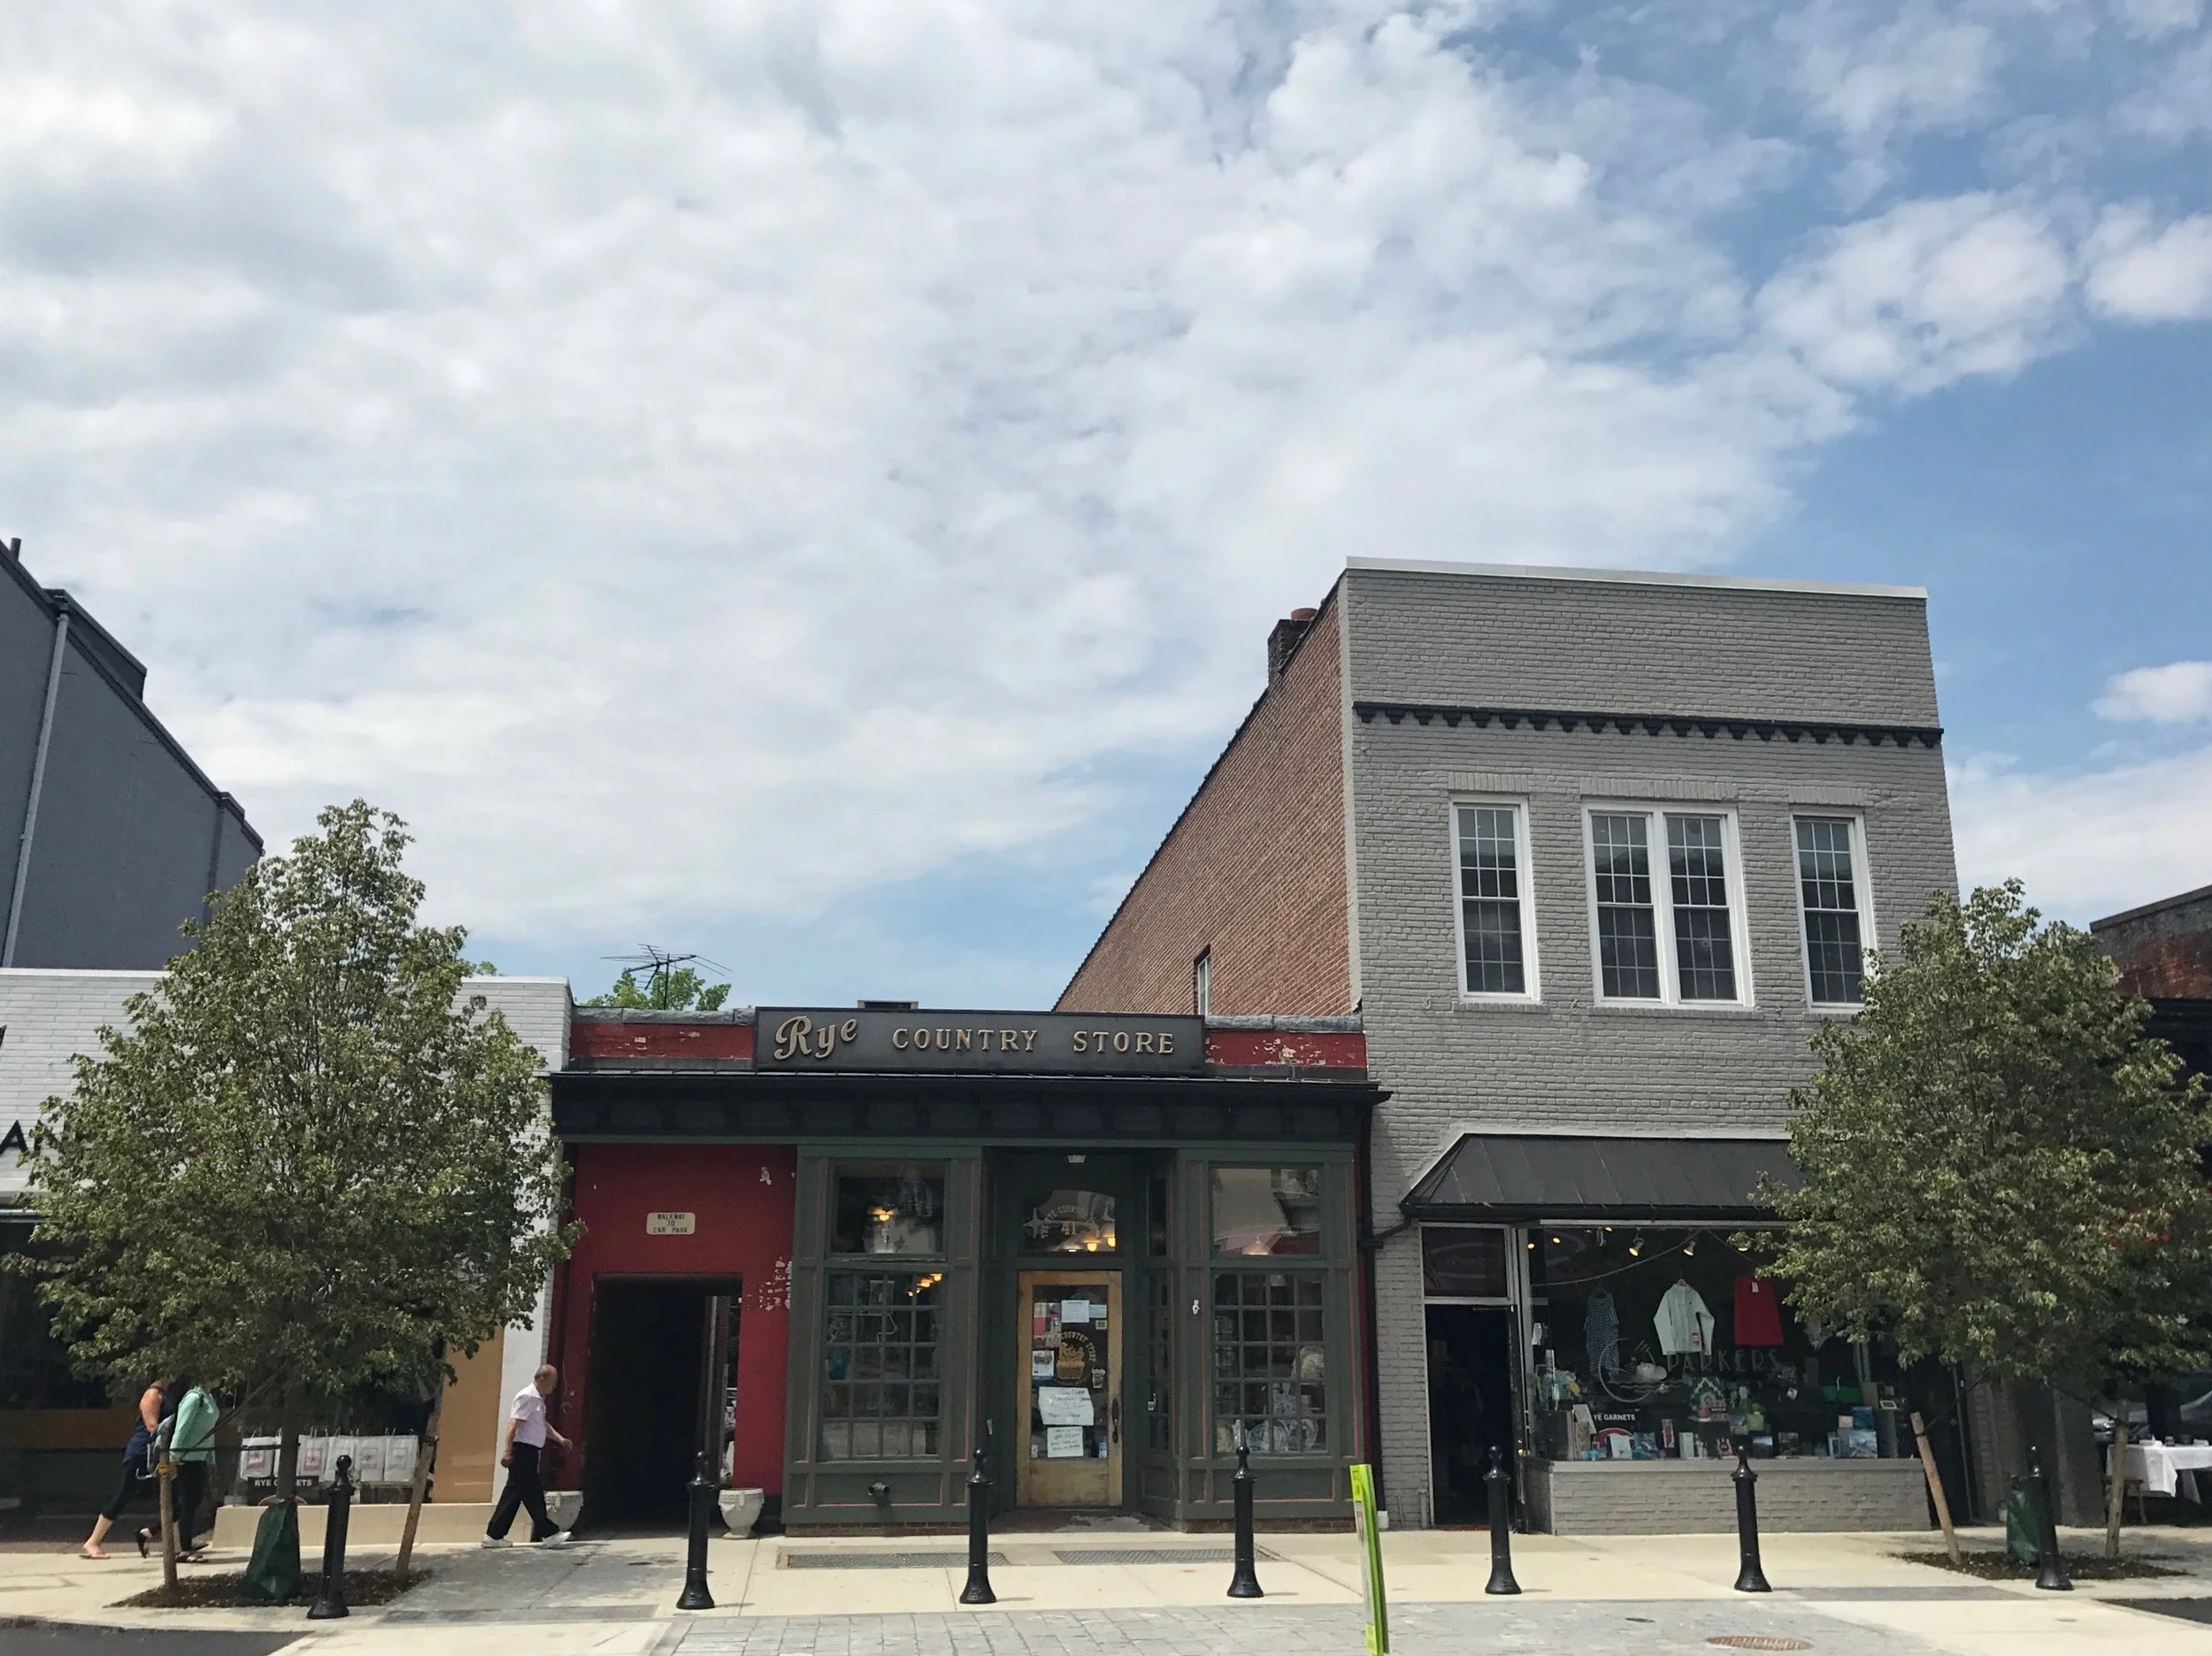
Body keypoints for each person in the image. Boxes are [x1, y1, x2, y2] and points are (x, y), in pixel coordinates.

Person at [81, 1376, 173, 1560]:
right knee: (125, 1493)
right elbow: (152, 1426)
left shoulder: (167, 1394)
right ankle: (93, 1541)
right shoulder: (152, 1394)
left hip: (157, 1453)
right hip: (142, 1453)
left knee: (174, 1497)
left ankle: (155, 1535)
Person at [483, 1363, 571, 1548]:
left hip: (530, 1452)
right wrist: (507, 1451)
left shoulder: (538, 1400)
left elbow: (542, 1425)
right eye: (552, 1383)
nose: (554, 1387)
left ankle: (494, 1535)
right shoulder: (527, 1396)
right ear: (541, 1380)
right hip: (522, 1451)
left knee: (513, 1494)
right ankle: (548, 1533)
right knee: (533, 1492)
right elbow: (513, 1424)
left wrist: (560, 1439)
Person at [169, 1379, 218, 1560]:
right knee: (188, 1503)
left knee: (195, 1502)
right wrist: (174, 1458)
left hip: (199, 1457)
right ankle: (184, 1548)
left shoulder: (208, 1397)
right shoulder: (193, 1398)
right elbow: (181, 1429)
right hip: (186, 1458)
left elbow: (210, 1431)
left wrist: (211, 1458)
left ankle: (186, 1543)